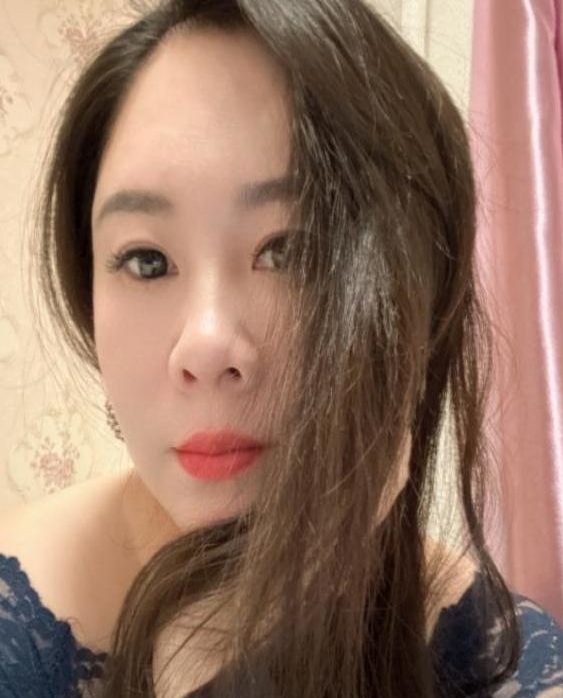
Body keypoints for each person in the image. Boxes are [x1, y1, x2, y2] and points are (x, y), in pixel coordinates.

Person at [0, 0, 561, 696]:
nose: (204, 346)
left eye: (289, 250)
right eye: (146, 261)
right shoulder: (19, 619)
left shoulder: (509, 662)